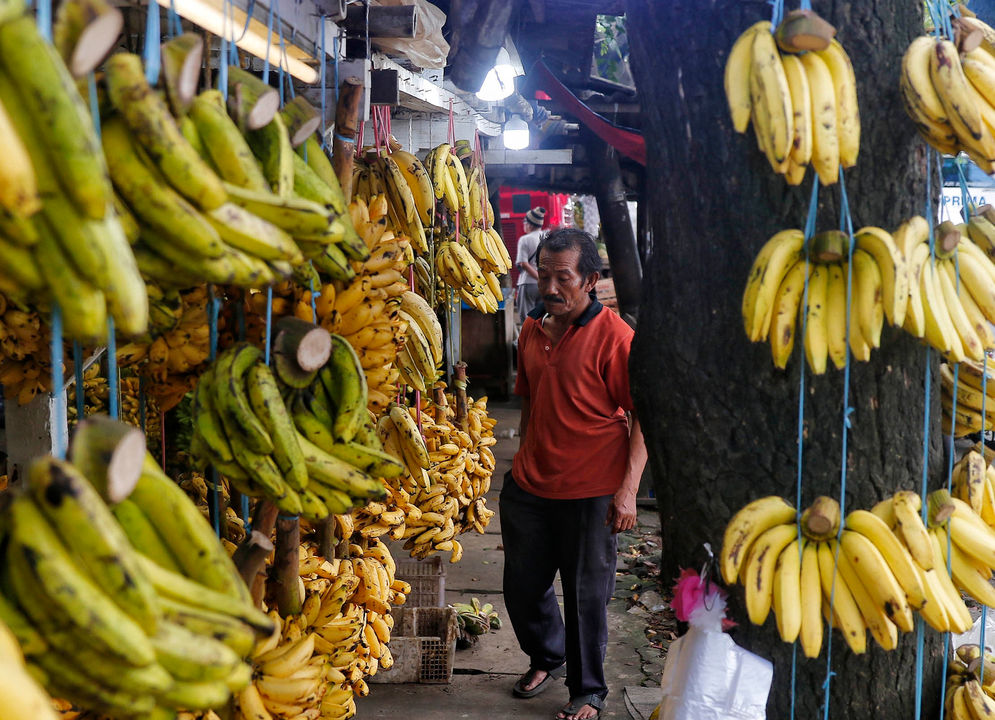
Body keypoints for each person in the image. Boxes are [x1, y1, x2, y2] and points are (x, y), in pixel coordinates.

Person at [501, 227, 647, 720]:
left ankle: (588, 691)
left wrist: (627, 491)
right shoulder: (532, 329)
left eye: (563, 277)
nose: (550, 287)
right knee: (522, 585)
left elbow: (641, 417)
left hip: (591, 491)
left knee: (586, 596)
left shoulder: (615, 338)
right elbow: (528, 400)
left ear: (590, 280)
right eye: (544, 275)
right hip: (529, 484)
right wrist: (523, 458)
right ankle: (548, 656)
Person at [515, 206, 547, 324]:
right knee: (542, 317)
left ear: (530, 224)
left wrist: (538, 278)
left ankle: (528, 341)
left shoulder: (525, 239)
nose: (524, 224)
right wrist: (544, 280)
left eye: (524, 222)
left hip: (528, 283)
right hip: (545, 285)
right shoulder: (546, 237)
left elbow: (523, 263)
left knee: (528, 319)